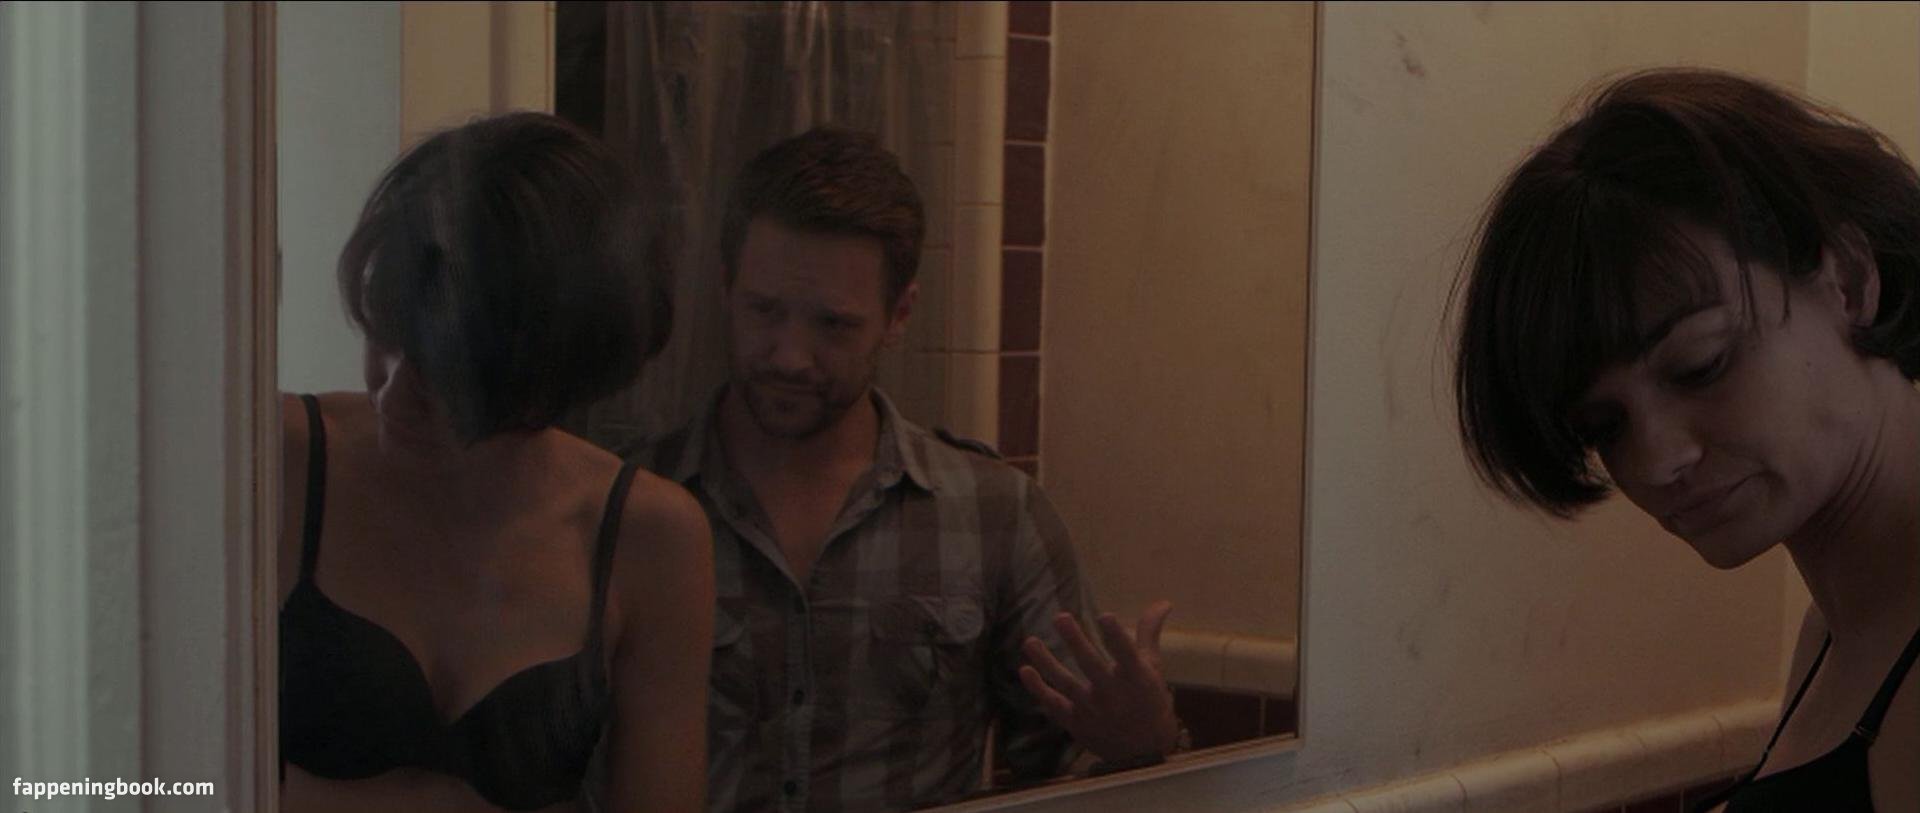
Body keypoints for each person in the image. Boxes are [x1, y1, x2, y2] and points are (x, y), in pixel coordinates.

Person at [613, 127, 1183, 813]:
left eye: (832, 325)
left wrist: (1145, 745)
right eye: (764, 310)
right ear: (725, 286)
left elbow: (1075, 760)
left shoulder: (995, 514)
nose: (790, 355)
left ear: (899, 314)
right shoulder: (628, 505)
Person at [1452, 68, 1920, 812]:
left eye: (1702, 365)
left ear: (1851, 281)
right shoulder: (1836, 631)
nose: (1656, 462)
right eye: (1603, 427)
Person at [277, 112, 714, 812]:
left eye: (445, 370)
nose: (393, 390)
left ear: (553, 368)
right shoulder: (283, 460)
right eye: (383, 334)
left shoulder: (649, 535)